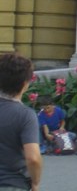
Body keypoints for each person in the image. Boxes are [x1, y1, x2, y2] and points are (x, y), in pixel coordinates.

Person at [0, 53, 42, 191]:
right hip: (12, 182)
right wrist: (35, 182)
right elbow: (33, 158)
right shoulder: (25, 115)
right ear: (25, 84)